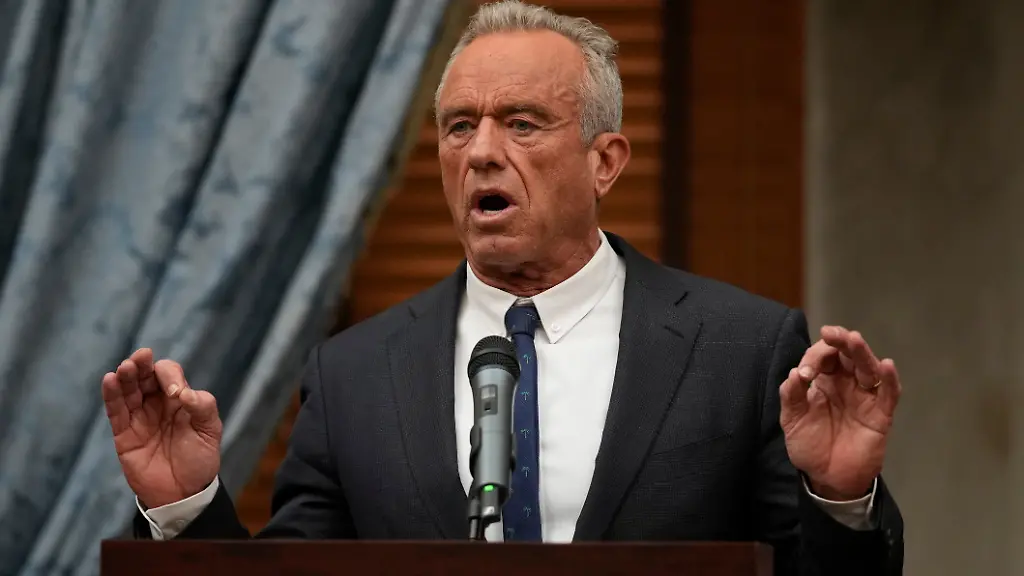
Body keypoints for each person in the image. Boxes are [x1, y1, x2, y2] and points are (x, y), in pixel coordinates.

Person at [101, 1, 904, 574]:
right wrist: (185, 510)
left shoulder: (744, 349)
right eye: (459, 126)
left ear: (606, 161)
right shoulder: (353, 375)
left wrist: (839, 498)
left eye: (521, 123)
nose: (482, 152)